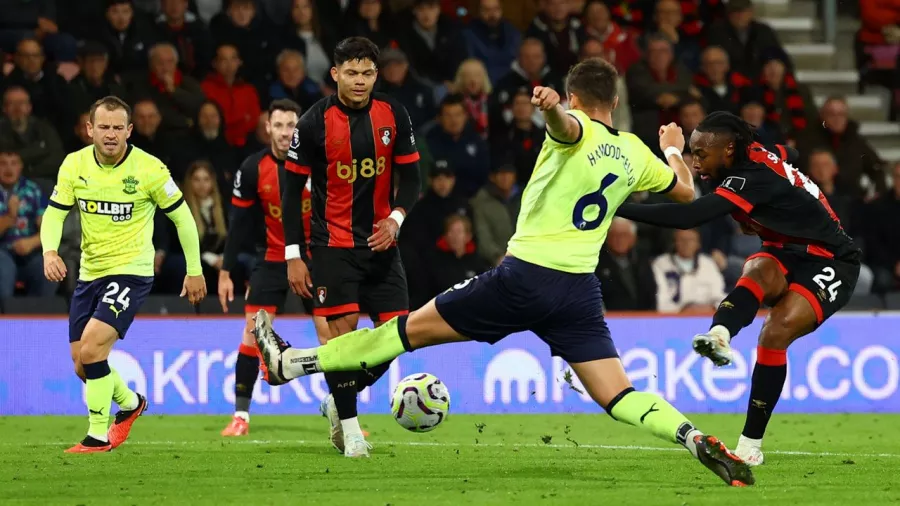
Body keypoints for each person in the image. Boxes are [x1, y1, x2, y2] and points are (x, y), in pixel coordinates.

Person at [254, 58, 755, 487]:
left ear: (577, 95)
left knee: (401, 333)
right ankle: (692, 437)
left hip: (523, 278)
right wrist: (671, 145)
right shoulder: (634, 151)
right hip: (578, 291)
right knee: (617, 393)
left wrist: (554, 108)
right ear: (618, 98)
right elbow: (688, 191)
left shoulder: (572, 129)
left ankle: (293, 363)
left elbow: (568, 129)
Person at [615, 111, 861, 466]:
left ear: (729, 149)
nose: (695, 161)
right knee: (758, 268)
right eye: (692, 153)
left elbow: (689, 217)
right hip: (784, 248)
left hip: (833, 259)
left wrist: (617, 209)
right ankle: (719, 335)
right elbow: (788, 150)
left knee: (774, 333)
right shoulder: (752, 151)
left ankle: (750, 446)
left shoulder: (749, 178)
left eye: (701, 154)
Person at [278, 37, 421, 458]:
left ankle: (333, 401)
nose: (360, 82)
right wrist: (293, 255)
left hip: (380, 244)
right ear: (335, 74)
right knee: (344, 339)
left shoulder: (393, 113)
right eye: (352, 73)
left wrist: (395, 220)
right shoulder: (312, 123)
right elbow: (290, 193)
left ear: (377, 75)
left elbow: (411, 179)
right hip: (332, 246)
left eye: (368, 73)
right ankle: (352, 432)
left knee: (397, 336)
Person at [39, 96, 206, 453]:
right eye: (104, 127)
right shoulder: (74, 165)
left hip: (131, 272)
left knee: (94, 346)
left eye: (118, 128)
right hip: (90, 273)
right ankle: (131, 403)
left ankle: (97, 436)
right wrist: (49, 251)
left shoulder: (150, 169)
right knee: (82, 364)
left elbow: (182, 217)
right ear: (90, 129)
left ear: (129, 131)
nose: (111, 134)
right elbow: (54, 214)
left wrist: (194, 270)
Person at [218, 99, 326, 437]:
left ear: (299, 128)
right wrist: (225, 271)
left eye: (290, 125)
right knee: (252, 335)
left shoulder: (317, 164)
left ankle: (343, 413)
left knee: (331, 337)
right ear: (267, 128)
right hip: (273, 259)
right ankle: (241, 417)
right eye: (277, 125)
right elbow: (237, 225)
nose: (284, 133)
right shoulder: (252, 169)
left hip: (316, 260)